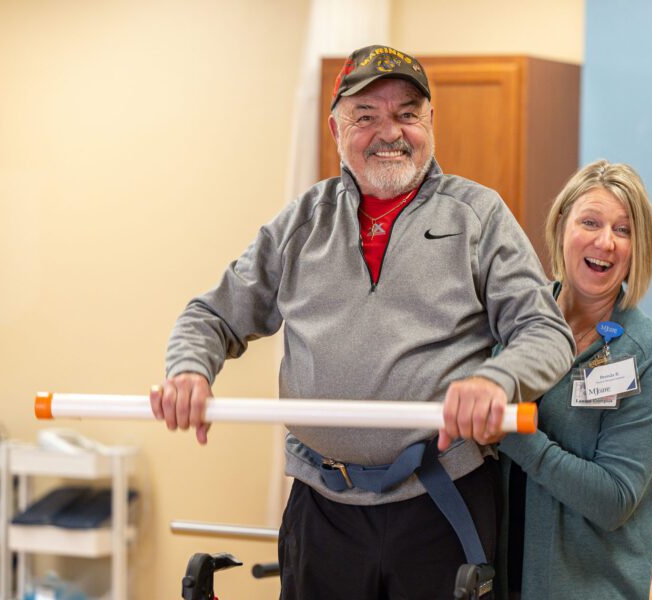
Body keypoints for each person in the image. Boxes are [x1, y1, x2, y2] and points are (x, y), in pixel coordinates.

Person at [150, 44, 574, 600]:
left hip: (441, 504)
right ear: (335, 130)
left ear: (430, 122)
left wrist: (497, 380)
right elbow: (211, 315)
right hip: (322, 512)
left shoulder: (478, 216)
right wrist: (188, 370)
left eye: (406, 114)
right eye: (366, 116)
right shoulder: (302, 222)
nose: (389, 132)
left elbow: (545, 330)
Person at [495, 160, 652, 600]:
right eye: (590, 222)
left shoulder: (646, 354)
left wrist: (514, 432)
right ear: (561, 227)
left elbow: (613, 499)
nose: (605, 242)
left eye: (623, 230)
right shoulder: (514, 319)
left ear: (638, 248)